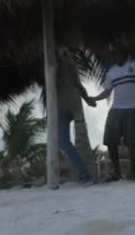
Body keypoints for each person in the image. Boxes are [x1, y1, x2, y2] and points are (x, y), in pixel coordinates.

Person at [89, 45, 135, 181]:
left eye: (117, 54)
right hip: (115, 109)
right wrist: (94, 98)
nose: (114, 57)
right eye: (113, 55)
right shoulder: (112, 71)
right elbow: (107, 92)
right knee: (110, 140)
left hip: (133, 108)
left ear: (125, 54)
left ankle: (133, 173)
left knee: (133, 142)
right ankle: (117, 173)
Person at [56, 51, 96, 184]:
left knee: (78, 138)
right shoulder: (53, 59)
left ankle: (84, 174)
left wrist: (87, 99)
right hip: (60, 106)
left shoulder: (66, 59)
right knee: (63, 142)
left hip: (73, 103)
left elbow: (78, 84)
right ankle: (82, 172)